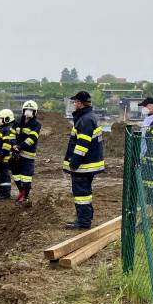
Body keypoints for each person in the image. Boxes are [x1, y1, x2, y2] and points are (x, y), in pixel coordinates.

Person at [63, 91, 105, 229]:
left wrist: (74, 162)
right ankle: (84, 218)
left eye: (75, 102)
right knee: (84, 193)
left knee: (81, 194)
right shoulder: (88, 117)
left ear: (80, 103)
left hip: (84, 165)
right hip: (88, 164)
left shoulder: (85, 120)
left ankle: (83, 222)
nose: (74, 104)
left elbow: (82, 145)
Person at [10, 100, 41, 205]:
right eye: (26, 109)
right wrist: (13, 145)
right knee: (16, 175)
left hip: (28, 155)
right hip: (16, 153)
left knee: (26, 177)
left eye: (31, 110)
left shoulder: (36, 124)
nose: (28, 112)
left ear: (35, 112)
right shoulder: (18, 121)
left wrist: (19, 147)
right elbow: (12, 134)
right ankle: (21, 193)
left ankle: (25, 197)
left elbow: (32, 139)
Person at [0, 109, 15, 199]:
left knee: (4, 176)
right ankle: (0, 191)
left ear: (7, 119)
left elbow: (7, 144)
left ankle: (5, 194)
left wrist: (2, 155)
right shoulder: (2, 129)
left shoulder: (7, 130)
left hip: (3, 159)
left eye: (1, 118)